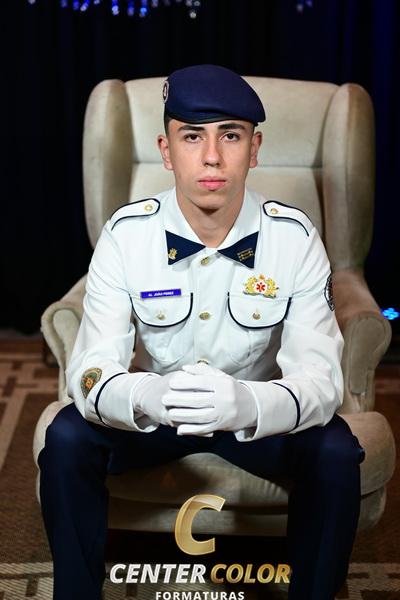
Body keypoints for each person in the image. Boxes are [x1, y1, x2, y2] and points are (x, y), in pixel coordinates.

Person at [38, 64, 365, 600]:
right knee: (67, 438)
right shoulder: (126, 236)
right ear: (166, 151)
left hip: (253, 416)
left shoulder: (294, 237)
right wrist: (148, 395)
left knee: (336, 452)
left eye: (230, 136)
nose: (211, 157)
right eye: (192, 137)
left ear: (254, 149)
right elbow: (91, 370)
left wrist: (249, 404)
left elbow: (321, 379)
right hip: (156, 417)